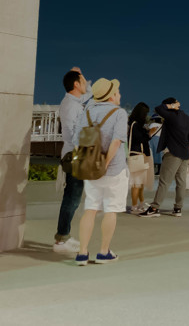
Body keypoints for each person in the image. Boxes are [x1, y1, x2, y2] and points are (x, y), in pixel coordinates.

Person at [71, 77, 128, 266]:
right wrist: (105, 162)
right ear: (111, 96)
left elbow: (77, 140)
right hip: (113, 170)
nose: (119, 94)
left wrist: (89, 161)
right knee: (111, 209)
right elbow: (117, 141)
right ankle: (103, 252)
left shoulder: (87, 111)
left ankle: (82, 253)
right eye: (117, 92)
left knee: (90, 208)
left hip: (89, 169)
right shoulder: (119, 113)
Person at [54, 68, 91, 254]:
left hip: (77, 153)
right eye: (82, 81)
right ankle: (61, 239)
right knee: (72, 198)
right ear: (76, 85)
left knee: (74, 197)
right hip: (75, 153)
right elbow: (70, 132)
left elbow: (90, 93)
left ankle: (63, 237)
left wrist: (81, 75)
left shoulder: (74, 101)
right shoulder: (70, 105)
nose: (85, 84)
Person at [141, 98, 189, 217]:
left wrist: (171, 106)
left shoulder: (171, 116)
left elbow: (158, 108)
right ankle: (178, 209)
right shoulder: (187, 118)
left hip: (173, 153)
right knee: (181, 182)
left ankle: (154, 208)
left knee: (164, 181)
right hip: (184, 154)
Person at [127, 102, 156, 215]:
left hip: (139, 155)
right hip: (137, 155)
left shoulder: (134, 124)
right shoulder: (135, 125)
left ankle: (140, 204)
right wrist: (149, 134)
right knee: (137, 183)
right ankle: (135, 206)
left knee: (140, 183)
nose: (146, 116)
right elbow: (139, 139)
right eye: (145, 114)